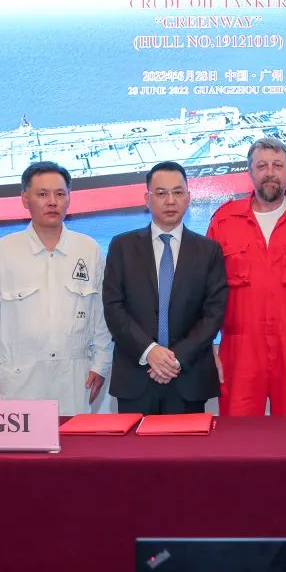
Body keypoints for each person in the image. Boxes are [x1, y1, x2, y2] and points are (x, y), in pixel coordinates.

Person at [206, 137, 286, 415]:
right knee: (239, 433)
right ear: (250, 171)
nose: (270, 173)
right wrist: (207, 348)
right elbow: (205, 294)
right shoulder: (224, 221)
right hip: (239, 351)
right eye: (262, 166)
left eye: (277, 165)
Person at [0, 161, 112, 411]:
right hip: (16, 381)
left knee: (74, 437)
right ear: (25, 199)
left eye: (60, 194)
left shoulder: (89, 250)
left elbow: (102, 313)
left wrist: (101, 364)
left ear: (69, 198)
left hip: (74, 378)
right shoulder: (2, 251)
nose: (52, 202)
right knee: (22, 440)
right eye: (42, 194)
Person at [103, 162, 228, 413]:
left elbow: (213, 314)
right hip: (136, 376)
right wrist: (149, 351)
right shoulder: (122, 246)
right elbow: (114, 308)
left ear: (188, 197)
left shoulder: (209, 251)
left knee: (186, 442)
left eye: (178, 192)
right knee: (135, 441)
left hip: (188, 378)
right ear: (147, 199)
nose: (170, 200)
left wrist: (174, 359)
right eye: (161, 193)